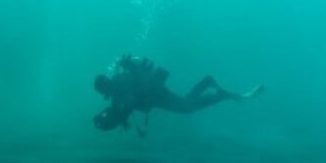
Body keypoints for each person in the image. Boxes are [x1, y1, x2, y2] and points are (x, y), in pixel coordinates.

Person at [93, 55, 263, 132]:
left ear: (105, 86)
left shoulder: (120, 84)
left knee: (186, 108)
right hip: (155, 96)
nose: (106, 93)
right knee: (186, 106)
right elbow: (120, 108)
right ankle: (208, 83)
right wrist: (108, 118)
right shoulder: (117, 90)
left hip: (156, 93)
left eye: (104, 90)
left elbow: (128, 102)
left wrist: (118, 117)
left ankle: (222, 93)